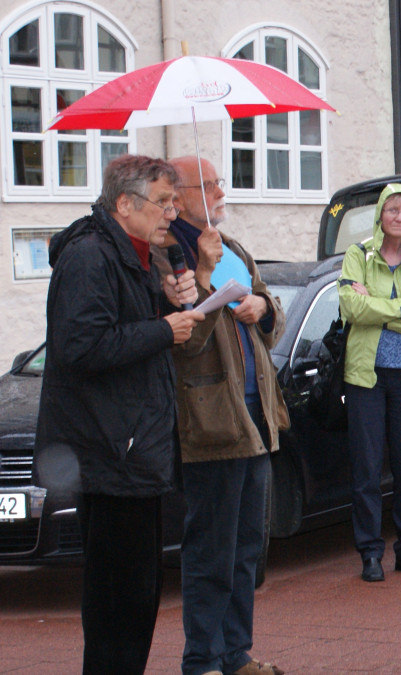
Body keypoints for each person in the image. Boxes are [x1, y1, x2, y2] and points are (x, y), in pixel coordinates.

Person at [35, 154, 202, 673]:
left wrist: (164, 302)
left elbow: (122, 327)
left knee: (138, 596)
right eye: (162, 202)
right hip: (110, 455)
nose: (172, 213)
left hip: (132, 449)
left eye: (175, 201)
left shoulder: (134, 254)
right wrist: (162, 329)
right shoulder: (90, 256)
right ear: (126, 204)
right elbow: (80, 345)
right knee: (117, 601)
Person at [158, 156, 289, 675]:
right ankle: (203, 661)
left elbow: (269, 323)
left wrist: (263, 307)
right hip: (210, 422)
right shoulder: (169, 258)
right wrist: (206, 275)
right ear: (179, 195)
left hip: (256, 417)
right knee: (210, 551)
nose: (220, 192)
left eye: (218, 182)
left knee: (246, 549)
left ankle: (237, 655)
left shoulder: (232, 248)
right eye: (209, 185)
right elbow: (184, 345)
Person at [338, 184, 401, 582]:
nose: (400, 217)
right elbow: (351, 306)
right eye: (393, 210)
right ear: (380, 214)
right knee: (366, 469)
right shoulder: (358, 255)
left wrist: (376, 309)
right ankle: (369, 552)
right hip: (366, 377)